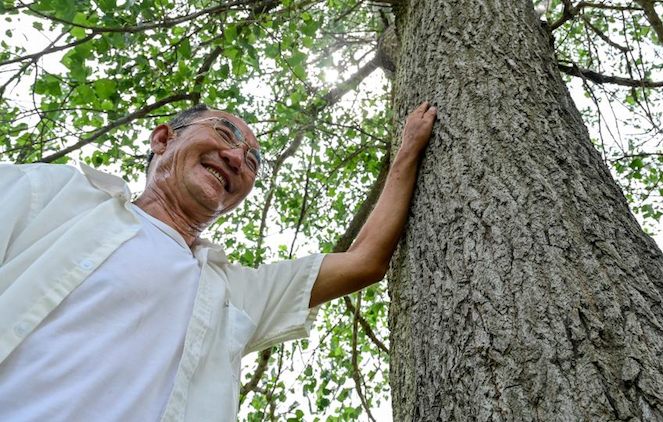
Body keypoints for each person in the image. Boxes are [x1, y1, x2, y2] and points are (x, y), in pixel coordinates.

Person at [0, 101, 437, 421]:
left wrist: (407, 153)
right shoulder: (53, 196)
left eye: (251, 161)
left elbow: (364, 261)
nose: (236, 157)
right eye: (226, 134)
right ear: (163, 138)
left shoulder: (233, 294)